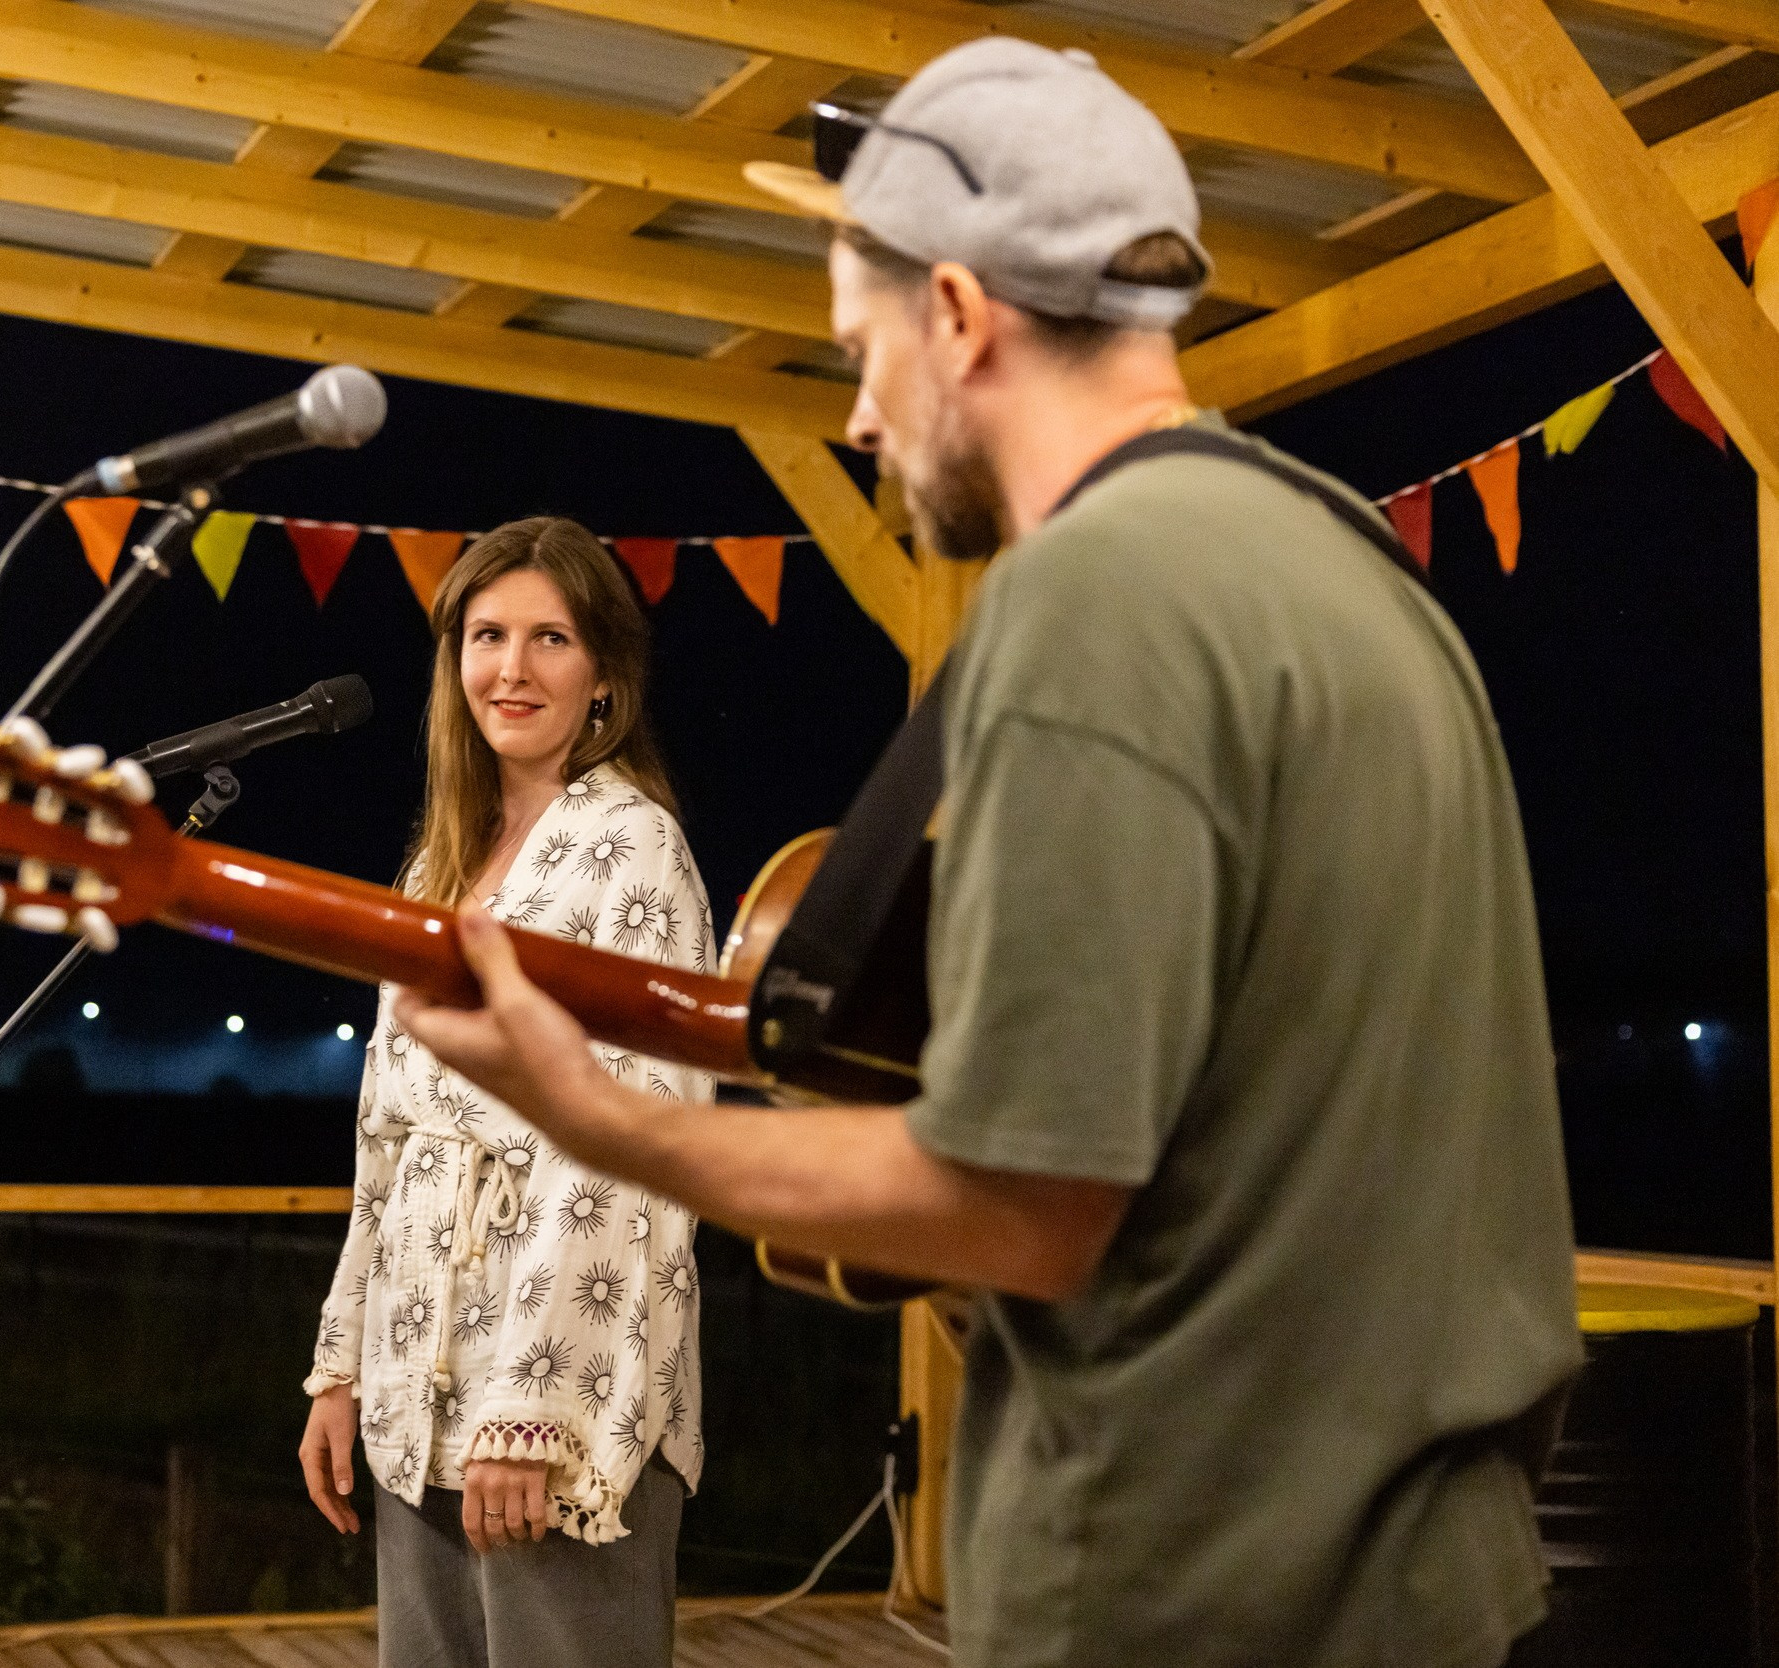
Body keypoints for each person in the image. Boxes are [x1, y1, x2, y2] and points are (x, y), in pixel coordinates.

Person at [389, 39, 1581, 1668]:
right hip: (1432, 1583)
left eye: (863, 349)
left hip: (1196, 1591)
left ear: (959, 311)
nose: (863, 413)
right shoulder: (1352, 565)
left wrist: (590, 1106)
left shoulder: (1096, 597)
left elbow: (1022, 1198)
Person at [297, 515, 715, 1668]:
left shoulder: (632, 846)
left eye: (549, 639)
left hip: (554, 1395)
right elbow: (384, 1146)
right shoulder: (438, 863)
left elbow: (625, 1151)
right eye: (486, 636)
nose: (512, 669)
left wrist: (533, 1414)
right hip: (413, 1379)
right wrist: (340, 1366)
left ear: (604, 679)